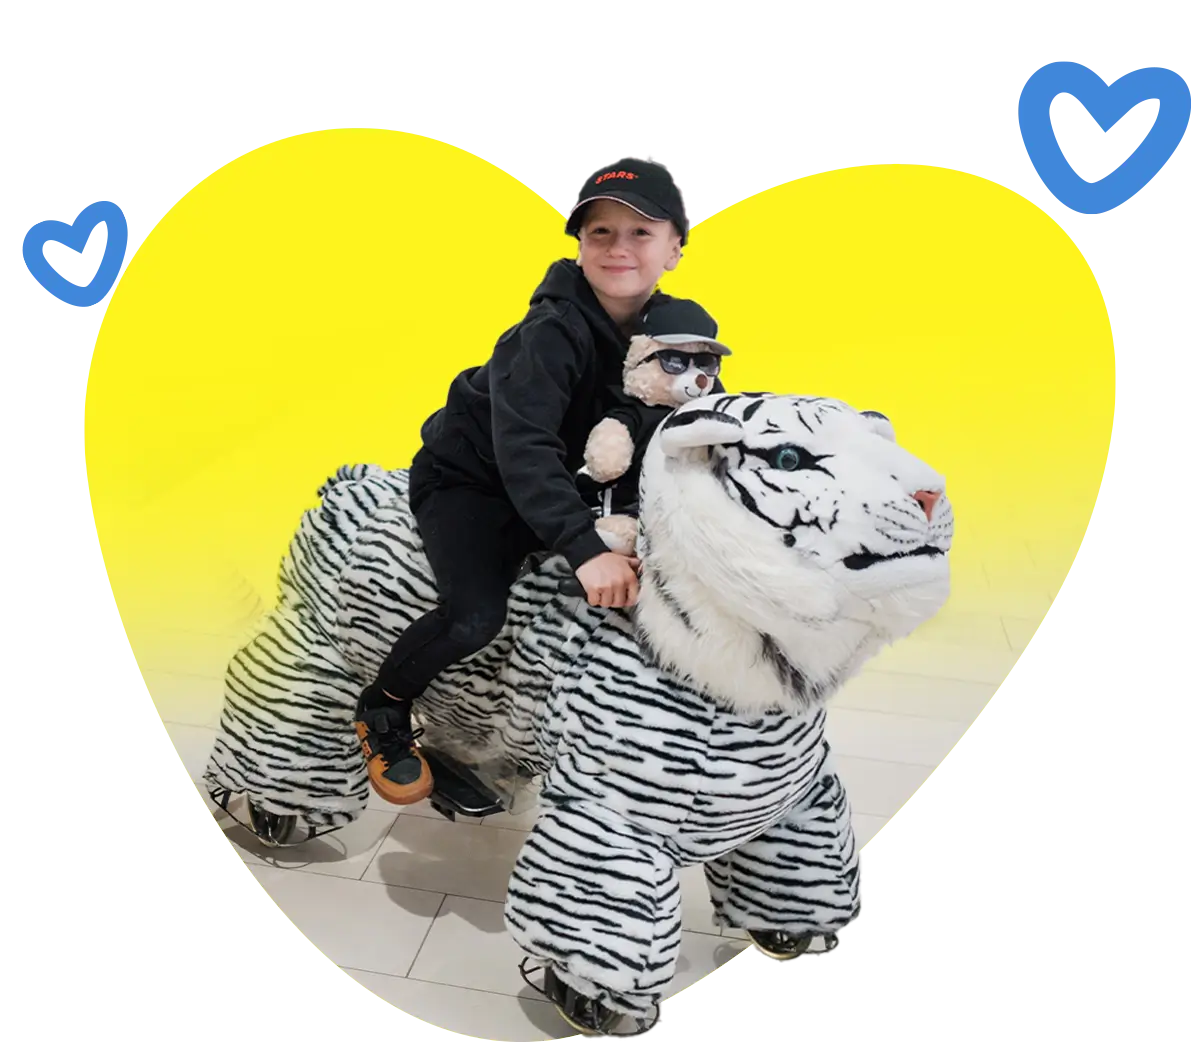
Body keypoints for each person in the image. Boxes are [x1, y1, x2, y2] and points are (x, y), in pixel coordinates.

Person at [353, 153, 726, 805]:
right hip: (477, 480)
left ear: (674, 249)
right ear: (580, 244)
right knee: (475, 617)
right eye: (600, 231)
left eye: (640, 232)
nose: (618, 247)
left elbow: (704, 410)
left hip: (572, 482)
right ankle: (383, 707)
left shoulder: (675, 331)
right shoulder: (549, 332)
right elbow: (523, 446)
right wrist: (583, 549)